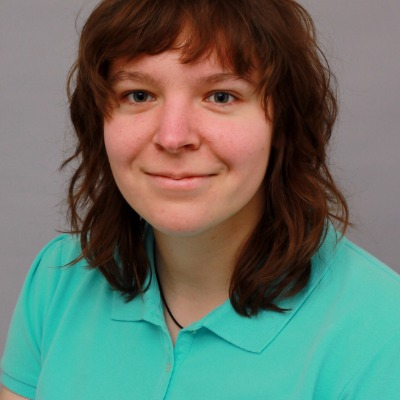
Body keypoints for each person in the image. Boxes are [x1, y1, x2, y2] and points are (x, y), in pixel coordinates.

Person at [1, 0, 399, 398]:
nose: (173, 137)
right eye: (139, 95)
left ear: (283, 122)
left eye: (221, 96)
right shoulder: (58, 279)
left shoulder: (383, 332)